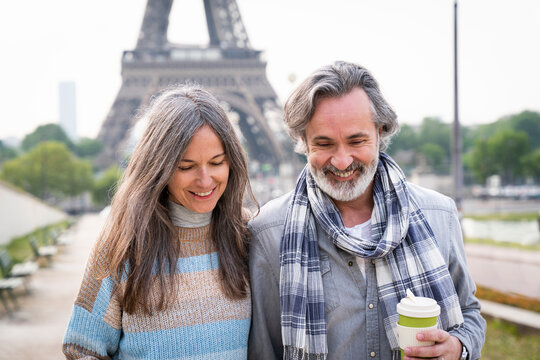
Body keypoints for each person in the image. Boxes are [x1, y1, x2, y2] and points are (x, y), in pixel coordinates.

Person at [248, 61, 486, 360]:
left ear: (380, 131)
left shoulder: (439, 213)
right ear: (303, 142)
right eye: (324, 144)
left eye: (356, 141)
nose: (343, 160)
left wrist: (458, 348)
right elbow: (264, 350)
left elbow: (469, 314)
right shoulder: (269, 232)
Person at [63, 85, 256, 359]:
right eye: (186, 167)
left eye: (216, 163)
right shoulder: (120, 247)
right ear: (159, 166)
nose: (204, 180)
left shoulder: (247, 236)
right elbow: (80, 349)